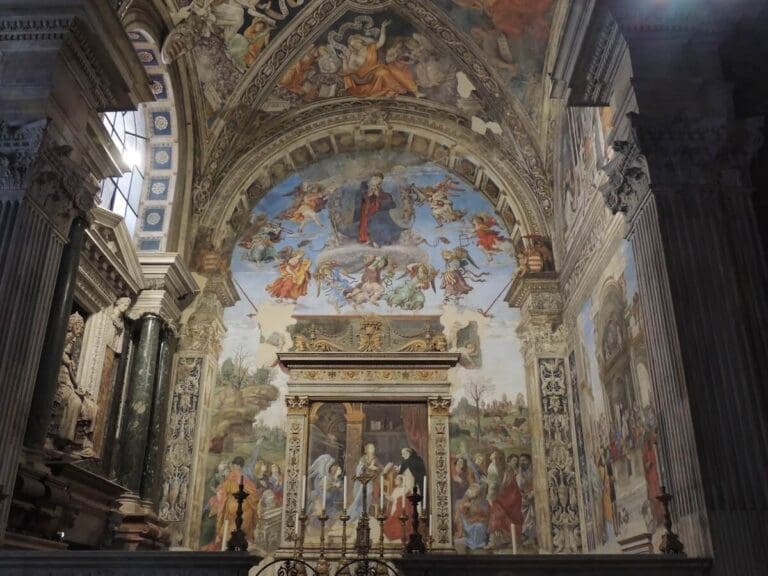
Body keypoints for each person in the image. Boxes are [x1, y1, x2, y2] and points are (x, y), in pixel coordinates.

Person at [340, 21, 421, 98]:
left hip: (374, 70)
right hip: (362, 77)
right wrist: (344, 60)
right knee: (382, 72)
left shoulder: (370, 47)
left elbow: (381, 42)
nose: (356, 45)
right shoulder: (354, 56)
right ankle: (397, 89)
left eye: (356, 43)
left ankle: (399, 89)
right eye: (353, 45)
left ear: (361, 41)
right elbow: (348, 70)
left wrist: (383, 28)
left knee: (384, 71)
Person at [208, 456, 261, 549]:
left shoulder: (231, 475)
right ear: (241, 466)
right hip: (245, 504)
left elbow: (223, 491)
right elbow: (253, 492)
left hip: (232, 504)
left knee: (230, 526)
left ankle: (229, 545)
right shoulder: (245, 477)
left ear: (235, 465)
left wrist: (218, 495)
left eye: (233, 465)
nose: (232, 467)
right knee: (241, 526)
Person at [350, 443, 383, 520]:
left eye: (373, 447)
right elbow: (360, 469)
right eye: (371, 448)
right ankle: (362, 512)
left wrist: (375, 468)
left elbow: (381, 467)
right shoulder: (363, 458)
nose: (373, 449)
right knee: (365, 493)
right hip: (364, 480)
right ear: (367, 450)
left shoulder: (375, 458)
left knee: (374, 490)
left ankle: (369, 512)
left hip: (373, 479)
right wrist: (369, 467)